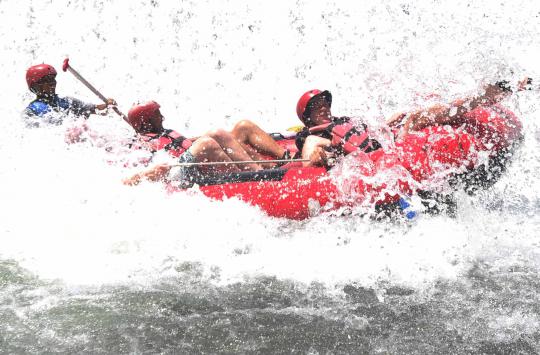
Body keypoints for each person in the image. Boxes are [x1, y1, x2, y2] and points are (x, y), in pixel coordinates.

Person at [123, 101, 288, 186]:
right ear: (147, 121)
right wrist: (149, 173)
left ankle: (265, 170)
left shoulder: (162, 133)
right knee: (207, 143)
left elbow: (183, 145)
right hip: (174, 175)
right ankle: (254, 180)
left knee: (217, 133)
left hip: (189, 165)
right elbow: (126, 180)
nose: (161, 116)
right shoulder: (138, 145)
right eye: (156, 114)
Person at [24, 63, 116, 127]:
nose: (52, 83)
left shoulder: (67, 101)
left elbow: (97, 110)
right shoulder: (31, 111)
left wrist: (108, 105)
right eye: (47, 80)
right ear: (35, 85)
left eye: (52, 79)